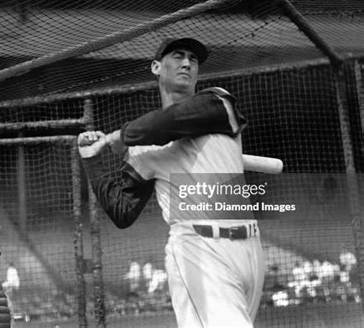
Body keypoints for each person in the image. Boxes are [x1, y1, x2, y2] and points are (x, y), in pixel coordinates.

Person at [78, 37, 264, 327]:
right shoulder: (142, 146)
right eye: (178, 56)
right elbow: (122, 210)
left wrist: (118, 136)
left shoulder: (217, 102)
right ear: (156, 67)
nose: (187, 63)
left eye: (194, 59)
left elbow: (170, 123)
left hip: (251, 249)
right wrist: (92, 161)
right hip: (198, 250)